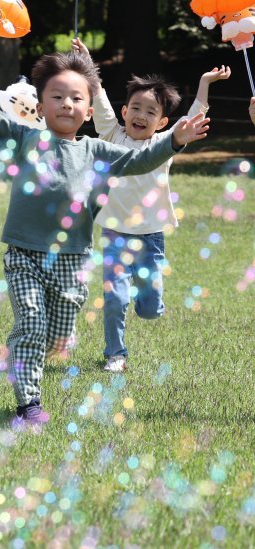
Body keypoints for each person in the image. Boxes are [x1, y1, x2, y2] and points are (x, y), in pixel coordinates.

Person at [0, 38, 209, 427]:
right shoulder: (25, 138)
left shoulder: (97, 151)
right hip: (24, 254)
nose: (66, 104)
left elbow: (141, 160)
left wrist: (175, 141)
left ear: (88, 110)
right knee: (31, 324)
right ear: (40, 106)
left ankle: (38, 348)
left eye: (75, 98)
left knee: (58, 336)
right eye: (57, 96)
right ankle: (29, 404)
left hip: (72, 258)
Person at [76, 38, 221, 373]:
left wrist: (204, 83)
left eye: (151, 112)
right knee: (115, 299)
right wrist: (87, 63)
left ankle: (149, 304)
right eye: (136, 108)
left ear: (162, 123)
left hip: (151, 237)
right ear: (125, 112)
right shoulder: (111, 135)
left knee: (150, 309)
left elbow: (192, 119)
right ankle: (115, 354)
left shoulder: (163, 145)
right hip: (115, 234)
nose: (141, 115)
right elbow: (97, 94)